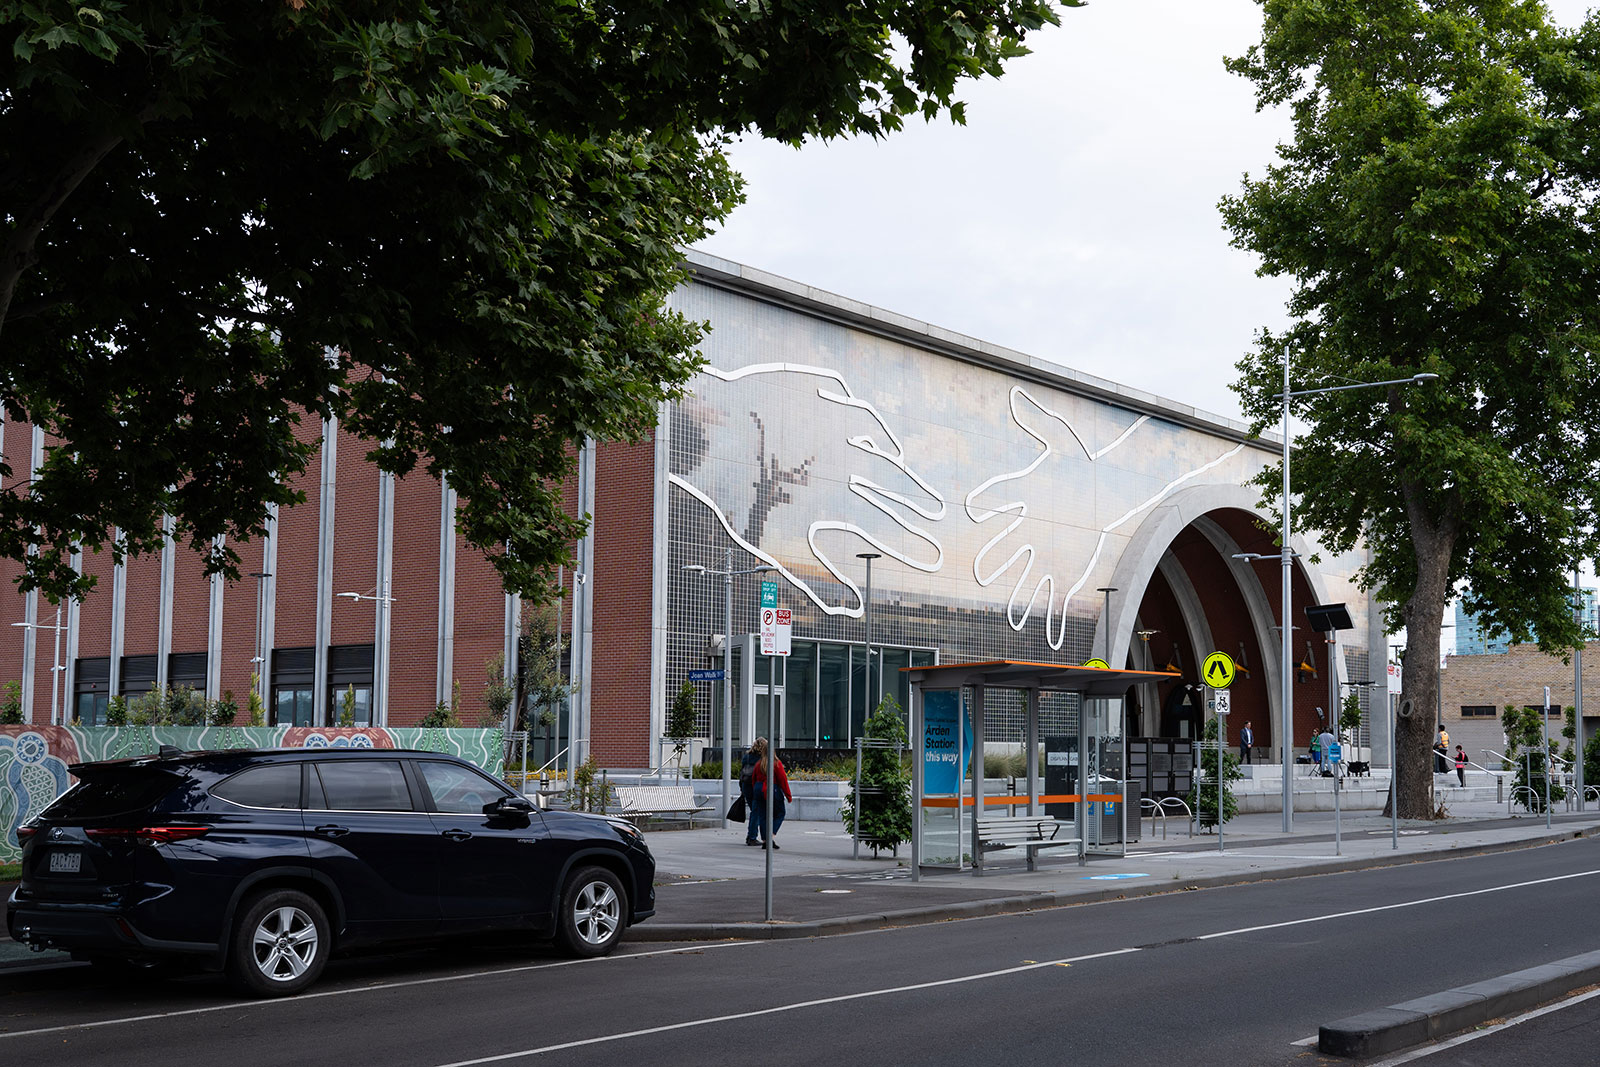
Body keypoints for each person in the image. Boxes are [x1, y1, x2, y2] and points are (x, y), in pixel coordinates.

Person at [748, 736, 792, 849]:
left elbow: (753, 779)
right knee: (780, 813)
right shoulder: (776, 764)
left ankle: (764, 840)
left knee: (763, 815)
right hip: (772, 789)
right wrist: (788, 795)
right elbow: (783, 780)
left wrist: (755, 791)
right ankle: (770, 836)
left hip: (759, 790)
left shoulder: (759, 764)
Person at [739, 742, 761, 845]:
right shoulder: (762, 758)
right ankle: (752, 837)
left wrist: (741, 788)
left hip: (746, 785)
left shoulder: (746, 757)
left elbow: (741, 771)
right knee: (756, 812)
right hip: (755, 786)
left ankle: (750, 836)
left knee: (754, 811)